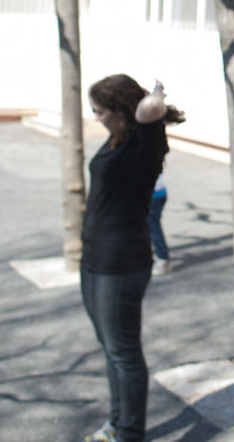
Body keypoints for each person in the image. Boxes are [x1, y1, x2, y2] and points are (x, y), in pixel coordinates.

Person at [81, 77, 182, 442]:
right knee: (111, 349)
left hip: (122, 264)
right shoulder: (117, 138)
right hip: (94, 260)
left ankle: (130, 433)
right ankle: (116, 423)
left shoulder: (145, 142)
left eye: (100, 111)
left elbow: (151, 109)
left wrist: (153, 96)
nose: (96, 117)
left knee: (124, 352)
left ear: (122, 111)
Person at [147, 171, 170, 275]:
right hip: (157, 193)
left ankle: (163, 258)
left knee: (153, 226)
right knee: (150, 226)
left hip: (153, 195)